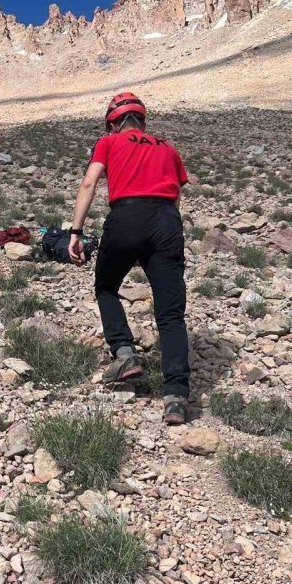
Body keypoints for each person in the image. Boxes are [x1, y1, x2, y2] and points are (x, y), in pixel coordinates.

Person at [67, 92, 192, 425]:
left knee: (106, 287)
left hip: (126, 217)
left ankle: (124, 352)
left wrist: (76, 232)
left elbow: (89, 182)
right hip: (166, 220)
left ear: (113, 122)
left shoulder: (108, 144)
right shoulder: (168, 148)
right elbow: (176, 197)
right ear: (142, 120)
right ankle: (176, 397)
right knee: (170, 312)